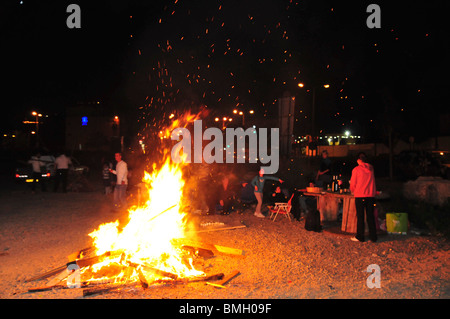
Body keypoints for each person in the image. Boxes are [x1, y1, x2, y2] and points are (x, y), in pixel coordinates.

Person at [349, 152, 377, 243]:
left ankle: (360, 236)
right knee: (370, 216)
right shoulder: (371, 168)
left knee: (360, 217)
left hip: (360, 195)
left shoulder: (356, 170)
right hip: (371, 195)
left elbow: (353, 183)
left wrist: (352, 189)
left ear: (359, 160)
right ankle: (373, 237)